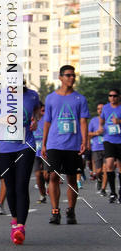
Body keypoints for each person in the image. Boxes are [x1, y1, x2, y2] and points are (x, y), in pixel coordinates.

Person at [42, 65, 89, 225]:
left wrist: (85, 140)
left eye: (73, 75)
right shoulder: (50, 98)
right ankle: (55, 211)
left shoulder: (80, 99)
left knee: (72, 178)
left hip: (73, 144)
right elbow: (47, 122)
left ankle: (71, 210)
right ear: (60, 77)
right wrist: (44, 143)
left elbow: (83, 121)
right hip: (54, 143)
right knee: (53, 176)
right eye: (68, 75)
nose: (71, 78)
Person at [0, 83, 41, 245]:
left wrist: (35, 120)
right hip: (4, 147)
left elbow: (37, 111)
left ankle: (20, 226)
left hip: (25, 145)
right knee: (10, 186)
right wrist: (4, 119)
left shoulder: (32, 95)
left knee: (21, 185)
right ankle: (15, 220)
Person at [99, 89, 121, 203]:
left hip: (120, 140)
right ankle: (113, 192)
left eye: (115, 96)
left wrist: (119, 121)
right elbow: (102, 118)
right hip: (109, 140)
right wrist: (101, 126)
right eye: (110, 96)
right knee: (110, 163)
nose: (112, 98)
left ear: (119, 97)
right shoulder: (106, 108)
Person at [88, 103, 105, 194]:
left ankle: (103, 188)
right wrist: (96, 133)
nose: (100, 110)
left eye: (102, 108)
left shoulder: (109, 119)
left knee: (106, 168)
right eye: (98, 109)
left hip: (107, 147)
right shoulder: (93, 121)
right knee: (98, 171)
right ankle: (99, 180)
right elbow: (89, 133)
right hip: (97, 148)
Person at [33, 102, 48, 204]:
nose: (42, 110)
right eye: (40, 108)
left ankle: (49, 184)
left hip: (46, 151)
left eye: (43, 109)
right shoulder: (31, 120)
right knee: (38, 174)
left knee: (46, 175)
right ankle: (42, 195)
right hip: (35, 152)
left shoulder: (47, 121)